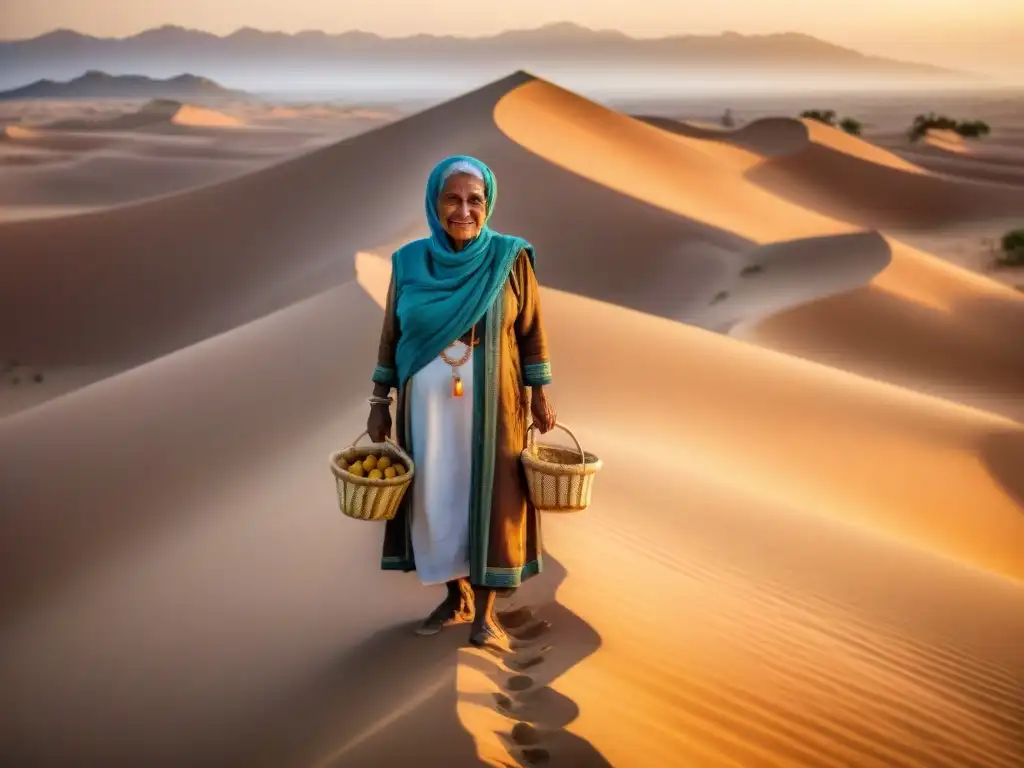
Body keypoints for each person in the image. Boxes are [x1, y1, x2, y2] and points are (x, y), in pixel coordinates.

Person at [367, 155, 557, 647]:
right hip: (425, 408)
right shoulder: (408, 262)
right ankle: (456, 596)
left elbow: (532, 330)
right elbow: (392, 332)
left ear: (488, 203)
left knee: (492, 499)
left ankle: (485, 614)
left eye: (476, 200)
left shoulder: (509, 258)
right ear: (434, 203)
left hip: (495, 407)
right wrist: (379, 398)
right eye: (452, 198)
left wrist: (539, 392)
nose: (464, 210)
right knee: (434, 499)